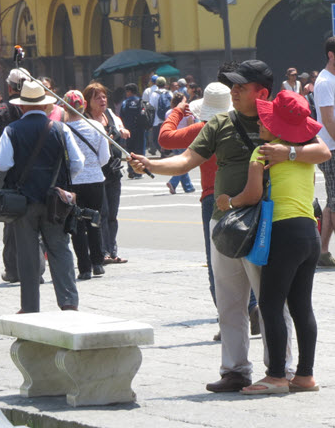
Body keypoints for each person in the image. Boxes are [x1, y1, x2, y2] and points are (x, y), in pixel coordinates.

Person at [128, 60, 330, 392]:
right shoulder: (220, 122)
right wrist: (151, 163)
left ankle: (281, 370)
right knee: (230, 301)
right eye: (232, 87)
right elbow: (187, 159)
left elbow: (321, 150)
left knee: (272, 302)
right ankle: (235, 370)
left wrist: (288, 153)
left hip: (266, 226)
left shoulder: (278, 119)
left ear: (260, 92)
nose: (233, 92)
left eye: (240, 87)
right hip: (226, 224)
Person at [215, 91, 327, 394]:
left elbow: (251, 196)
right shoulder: (306, 148)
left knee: (270, 303)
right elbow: (326, 150)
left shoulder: (263, 152)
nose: (261, 123)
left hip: (282, 232)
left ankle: (276, 376)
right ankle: (305, 375)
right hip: (309, 234)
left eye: (267, 119)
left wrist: (229, 201)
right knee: (302, 306)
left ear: (275, 126)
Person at [160, 80, 260, 340]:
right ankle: (253, 306)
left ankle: (227, 320)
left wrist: (179, 110)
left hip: (213, 200)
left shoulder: (204, 128)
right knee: (246, 255)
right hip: (244, 194)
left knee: (219, 263)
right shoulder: (246, 125)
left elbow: (165, 138)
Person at [0, 80, 85, 313]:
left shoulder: (12, 130)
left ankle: (30, 306)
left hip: (23, 202)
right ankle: (68, 302)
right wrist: (59, 184)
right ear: (46, 107)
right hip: (56, 201)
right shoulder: (61, 129)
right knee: (60, 250)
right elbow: (77, 163)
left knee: (28, 255)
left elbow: (1, 163)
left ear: (22, 107)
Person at [0, 68, 31, 284]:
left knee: (8, 216)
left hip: (5, 172)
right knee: (35, 215)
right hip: (33, 170)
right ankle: (35, 267)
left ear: (10, 87)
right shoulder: (35, 109)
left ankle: (12, 269)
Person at [64, 90, 110, 280]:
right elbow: (105, 157)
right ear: (83, 105)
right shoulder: (96, 126)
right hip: (95, 180)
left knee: (77, 225)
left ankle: (84, 267)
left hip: (74, 182)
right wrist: (93, 167)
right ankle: (97, 262)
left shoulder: (63, 128)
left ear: (65, 106)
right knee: (94, 221)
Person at [83, 82, 129, 264]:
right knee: (101, 213)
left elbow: (119, 129)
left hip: (114, 171)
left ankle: (112, 250)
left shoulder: (109, 114)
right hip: (96, 173)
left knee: (112, 215)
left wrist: (123, 131)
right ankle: (101, 252)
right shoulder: (85, 119)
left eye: (103, 96)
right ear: (88, 101)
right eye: (97, 97)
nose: (102, 100)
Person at [314, 37, 335, 267]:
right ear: (331, 55)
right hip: (332, 147)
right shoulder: (325, 82)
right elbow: (329, 120)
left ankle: (322, 250)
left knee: (332, 200)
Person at [164, 93, 196, 195]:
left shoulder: (169, 112)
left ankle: (188, 186)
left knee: (180, 162)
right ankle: (173, 182)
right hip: (184, 139)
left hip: (173, 139)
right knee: (184, 163)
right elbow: (191, 127)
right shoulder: (187, 113)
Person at [120, 83, 146, 179]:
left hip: (129, 130)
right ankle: (139, 172)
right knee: (139, 150)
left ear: (129, 91)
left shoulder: (125, 103)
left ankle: (131, 170)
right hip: (140, 130)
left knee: (130, 151)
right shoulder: (141, 101)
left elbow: (121, 115)